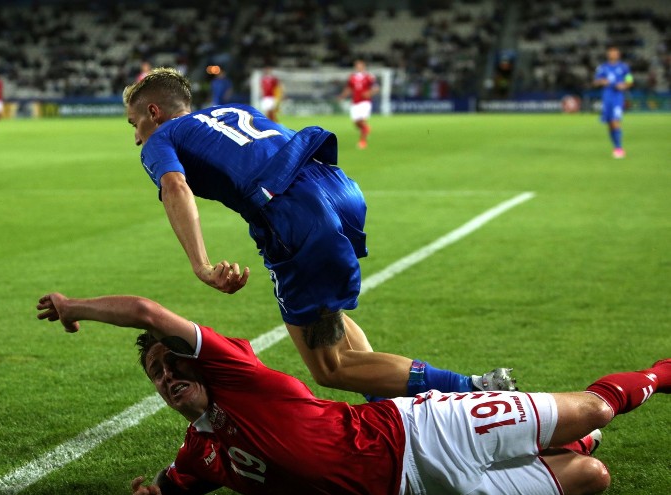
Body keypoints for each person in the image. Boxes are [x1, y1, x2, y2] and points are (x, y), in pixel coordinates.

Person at [35, 291, 668, 495]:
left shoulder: (241, 380)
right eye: (155, 373)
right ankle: (556, 443)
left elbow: (148, 313)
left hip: (422, 433)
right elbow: (173, 489)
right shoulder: (201, 455)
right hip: (422, 494)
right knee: (591, 474)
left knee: (596, 411)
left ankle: (662, 373)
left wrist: (77, 308)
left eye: (174, 361)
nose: (168, 374)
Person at [122, 67, 511, 400]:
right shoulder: (234, 109)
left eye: (134, 123)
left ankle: (473, 388)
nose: (137, 136)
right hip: (335, 186)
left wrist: (201, 265)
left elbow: (175, 187)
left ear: (154, 112)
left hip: (294, 211)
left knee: (329, 367)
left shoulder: (160, 139)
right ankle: (385, 403)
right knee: (328, 315)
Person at [592, 46, 633, 159]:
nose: (613, 54)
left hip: (617, 96)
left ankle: (619, 148)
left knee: (615, 120)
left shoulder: (624, 67)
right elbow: (595, 82)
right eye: (611, 53)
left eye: (615, 53)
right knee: (610, 123)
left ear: (618, 54)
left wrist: (624, 85)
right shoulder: (603, 67)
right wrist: (602, 81)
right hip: (607, 96)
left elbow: (629, 80)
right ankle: (616, 146)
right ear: (608, 54)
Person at [337, 59, 379, 149]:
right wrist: (342, 96)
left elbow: (376, 88)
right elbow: (349, 89)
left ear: (363, 66)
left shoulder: (369, 76)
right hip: (355, 102)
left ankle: (363, 141)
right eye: (357, 65)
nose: (358, 67)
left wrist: (369, 93)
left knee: (361, 121)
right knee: (356, 123)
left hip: (365, 102)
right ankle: (365, 129)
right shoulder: (352, 77)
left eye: (360, 65)